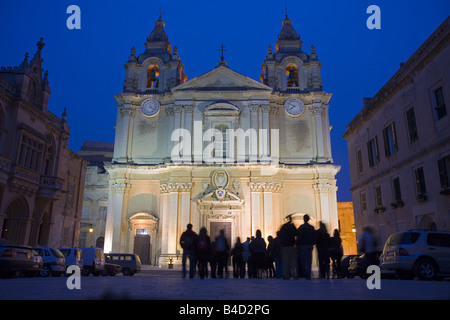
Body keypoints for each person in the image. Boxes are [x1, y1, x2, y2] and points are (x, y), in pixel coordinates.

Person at [297, 214, 317, 280]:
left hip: (303, 245)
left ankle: (304, 273)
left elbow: (299, 237)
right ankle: (308, 274)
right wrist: (313, 243)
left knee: (303, 260)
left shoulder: (301, 227)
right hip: (309, 245)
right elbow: (314, 236)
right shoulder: (311, 227)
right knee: (309, 260)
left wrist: (298, 244)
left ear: (304, 219)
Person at [278, 215, 298, 279]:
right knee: (293, 261)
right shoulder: (292, 226)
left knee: (286, 261)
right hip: (291, 245)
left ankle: (287, 275)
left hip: (284, 246)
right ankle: (294, 274)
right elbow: (296, 234)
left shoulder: (283, 227)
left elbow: (279, 235)